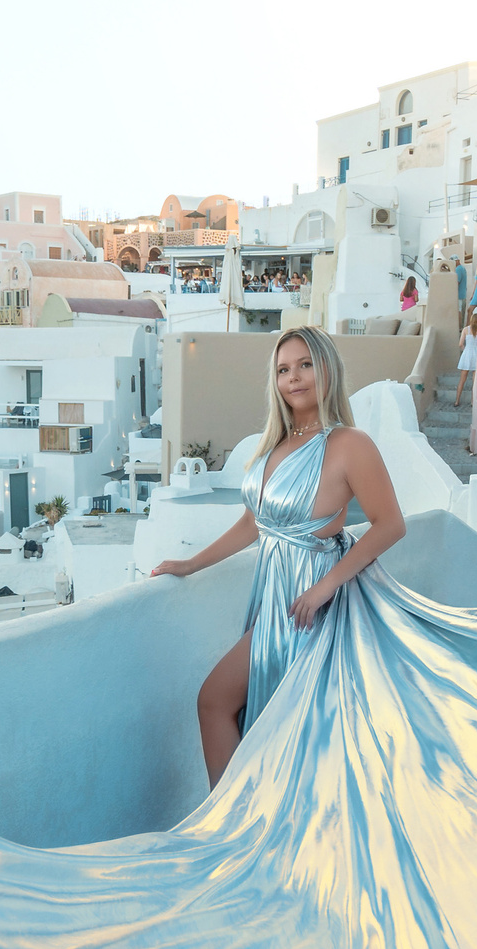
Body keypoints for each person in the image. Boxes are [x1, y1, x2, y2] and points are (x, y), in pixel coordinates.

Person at [149, 329, 404, 784]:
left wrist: (324, 588)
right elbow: (253, 524)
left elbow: (390, 525)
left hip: (311, 607)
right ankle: (238, 817)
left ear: (327, 368)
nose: (294, 378)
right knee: (228, 706)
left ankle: (243, 818)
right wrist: (190, 564)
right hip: (274, 602)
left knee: (235, 707)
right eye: (283, 370)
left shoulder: (350, 443)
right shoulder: (274, 444)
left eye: (305, 365)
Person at [455, 307, 477, 408]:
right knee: (475, 381)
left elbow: (460, 344)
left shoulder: (466, 329)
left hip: (467, 354)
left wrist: (465, 349)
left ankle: (457, 400)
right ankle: (473, 402)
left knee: (462, 379)